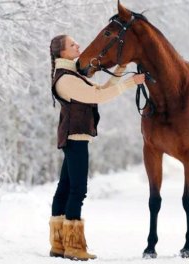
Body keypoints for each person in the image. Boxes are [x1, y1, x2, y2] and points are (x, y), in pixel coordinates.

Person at [48, 34, 145, 261]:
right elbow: (96, 96)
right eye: (72, 45)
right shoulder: (65, 79)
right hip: (75, 137)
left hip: (75, 137)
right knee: (77, 190)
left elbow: (100, 88)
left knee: (66, 187)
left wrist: (122, 68)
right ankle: (73, 246)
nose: (78, 45)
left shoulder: (72, 74)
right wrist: (130, 83)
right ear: (62, 53)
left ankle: (59, 244)